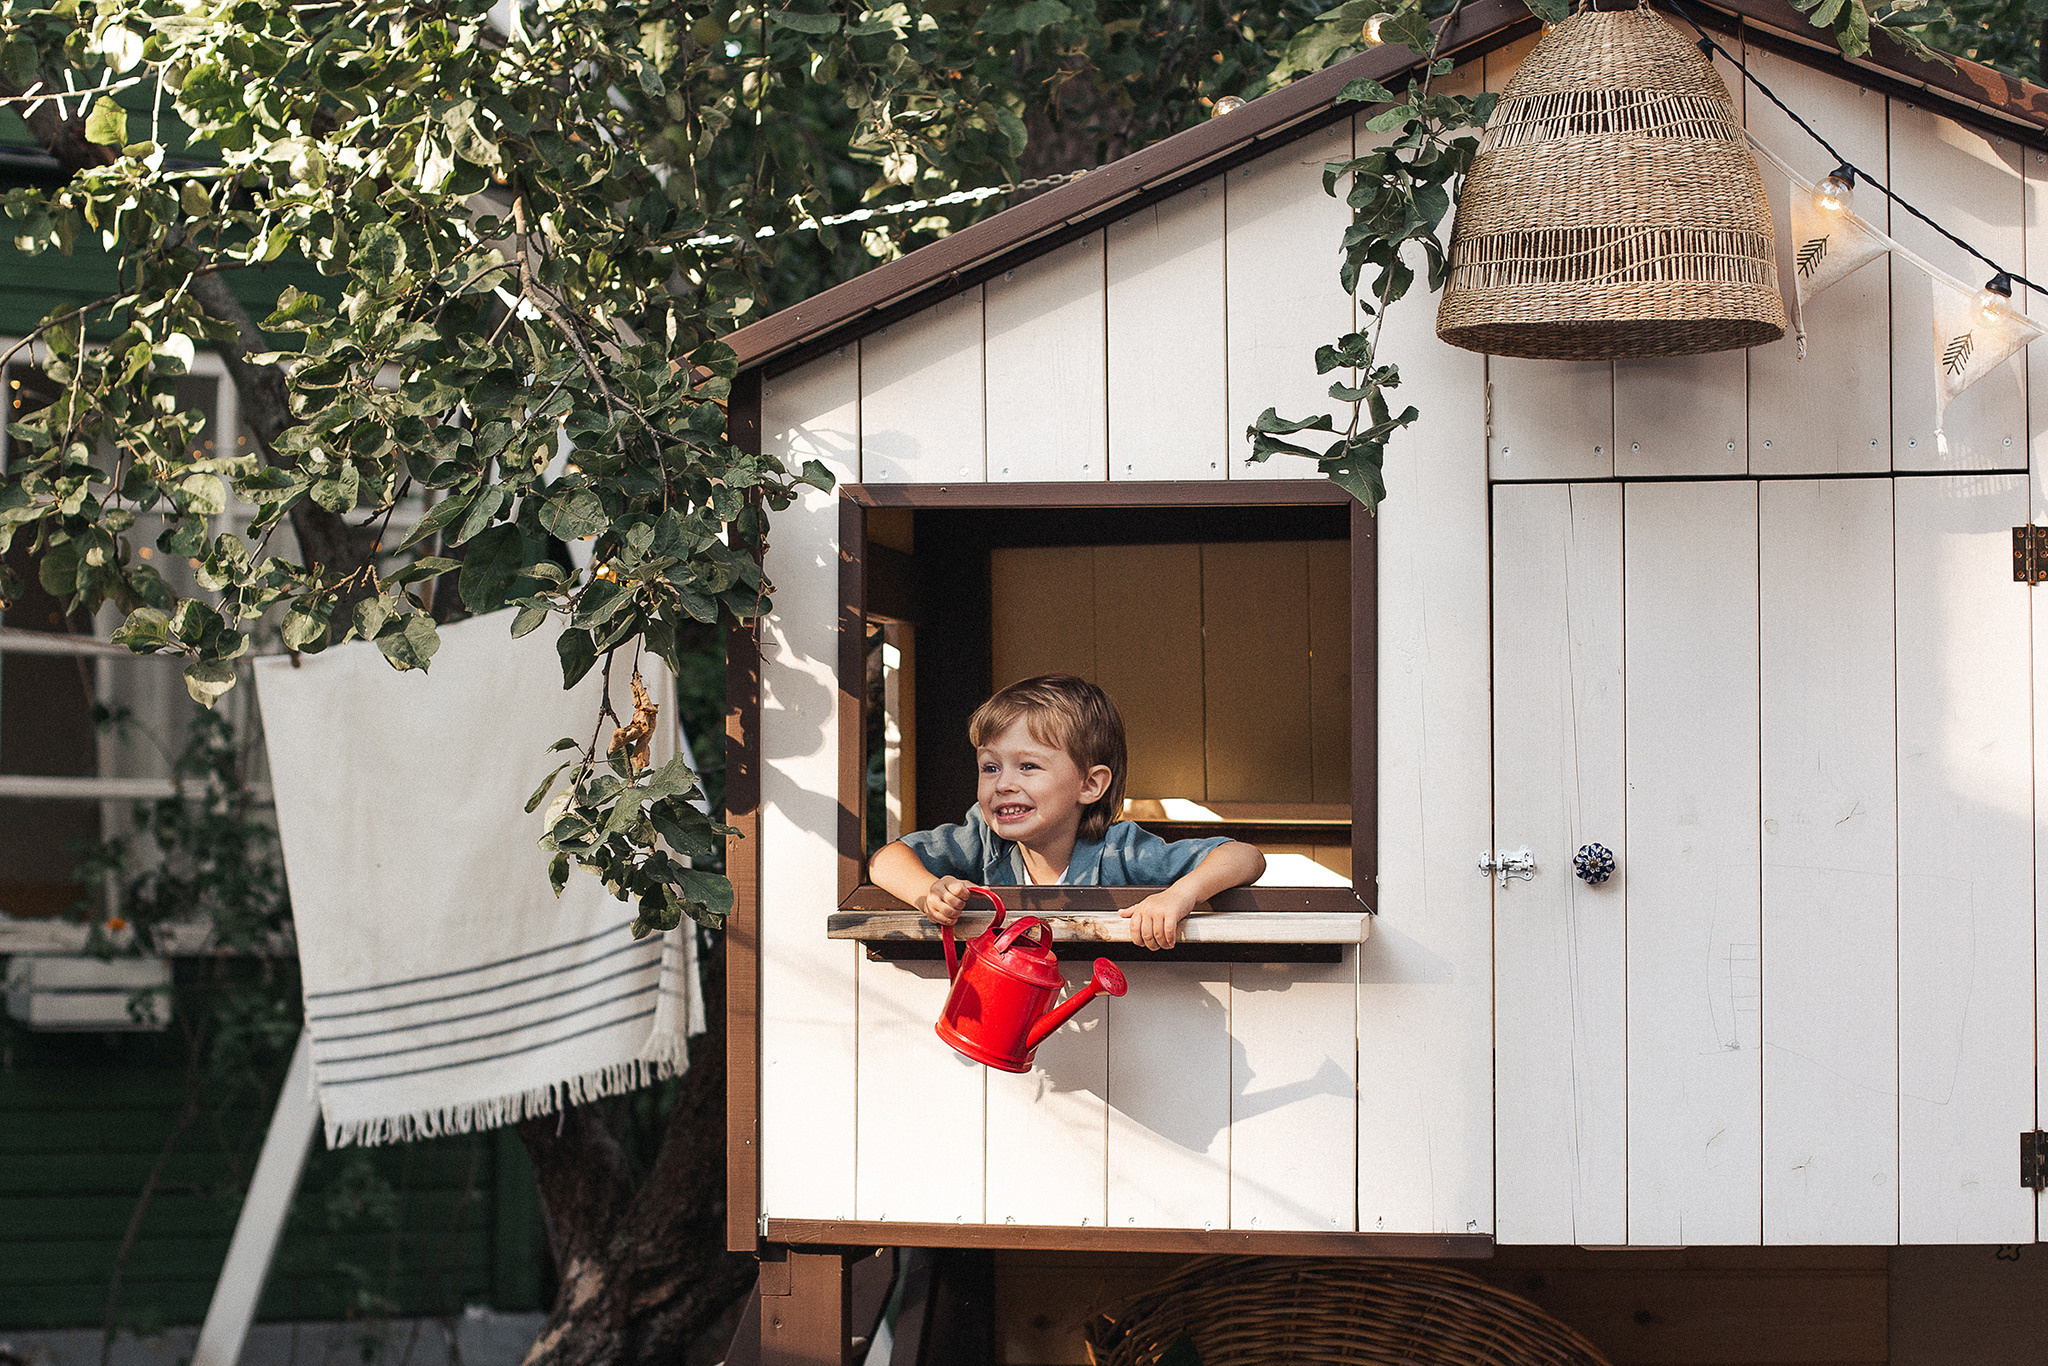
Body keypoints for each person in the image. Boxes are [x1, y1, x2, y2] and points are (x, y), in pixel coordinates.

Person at [867, 674, 1266, 950]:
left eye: (1028, 766)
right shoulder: (982, 839)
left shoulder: (1119, 850)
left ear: (1089, 785)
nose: (1003, 783)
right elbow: (885, 861)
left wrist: (1179, 896)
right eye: (990, 767)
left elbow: (1246, 857)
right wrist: (928, 894)